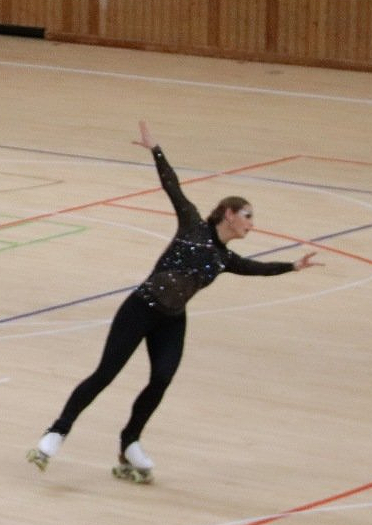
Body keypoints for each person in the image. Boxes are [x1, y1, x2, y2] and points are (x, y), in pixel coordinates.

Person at [27, 121, 321, 482]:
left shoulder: (224, 258)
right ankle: (57, 432)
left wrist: (292, 266)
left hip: (171, 319)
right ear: (229, 214)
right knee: (106, 374)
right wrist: (156, 150)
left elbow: (256, 269)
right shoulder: (192, 226)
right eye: (248, 216)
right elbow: (172, 186)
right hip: (140, 308)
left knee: (162, 378)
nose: (252, 224)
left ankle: (129, 441)